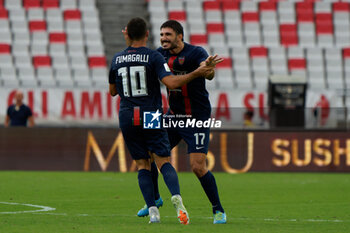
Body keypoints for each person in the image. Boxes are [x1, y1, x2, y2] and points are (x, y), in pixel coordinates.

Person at [109, 17, 221, 224]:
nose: (163, 39)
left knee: (197, 166)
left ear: (180, 36)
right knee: (153, 156)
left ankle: (218, 210)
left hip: (196, 117)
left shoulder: (196, 52)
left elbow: (209, 74)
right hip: (172, 116)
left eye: (168, 35)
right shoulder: (157, 55)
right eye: (161, 35)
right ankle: (155, 199)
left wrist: (209, 69)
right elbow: (138, 57)